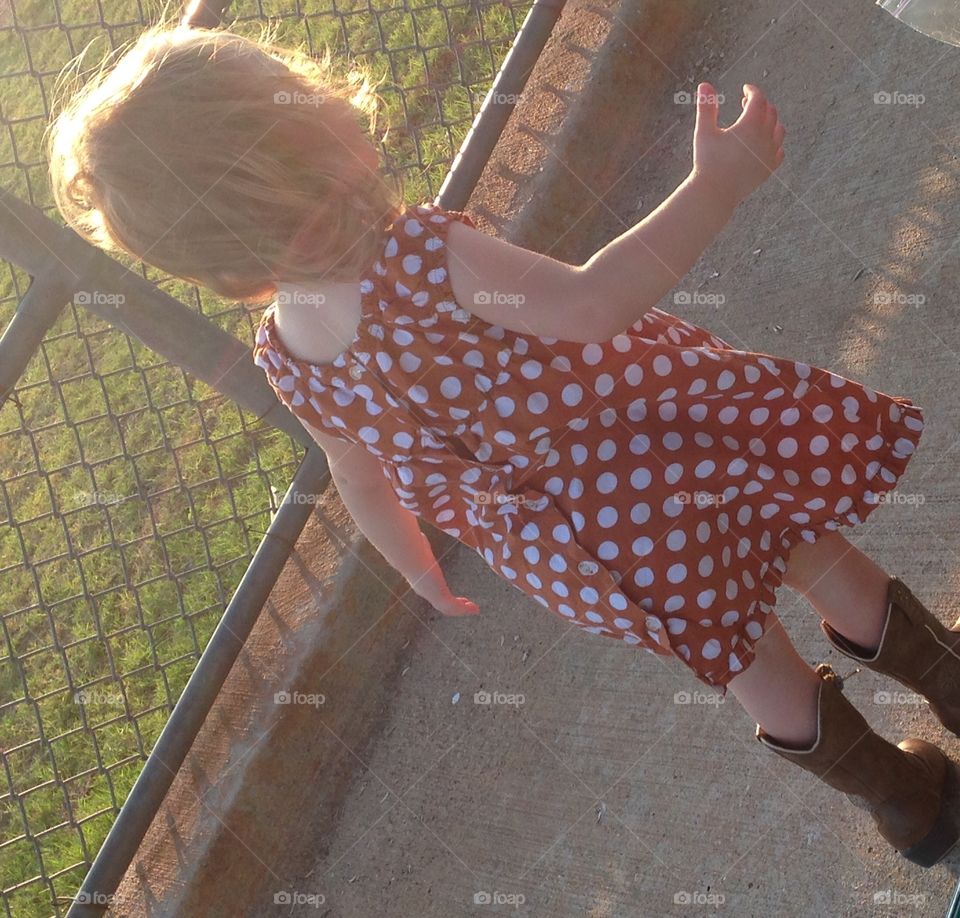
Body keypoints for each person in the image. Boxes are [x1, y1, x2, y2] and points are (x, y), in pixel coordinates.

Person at [47, 21, 960, 868]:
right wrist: (718, 182)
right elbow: (594, 304)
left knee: (744, 653)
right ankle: (949, 683)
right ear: (322, 129)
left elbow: (358, 480)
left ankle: (904, 804)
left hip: (582, 547)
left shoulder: (290, 358)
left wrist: (416, 570)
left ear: (225, 269)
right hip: (662, 449)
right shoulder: (422, 257)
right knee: (810, 549)